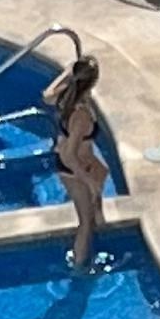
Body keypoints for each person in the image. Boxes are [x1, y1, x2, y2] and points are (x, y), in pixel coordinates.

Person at [43, 47, 114, 270]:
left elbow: (46, 95)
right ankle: (79, 268)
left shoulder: (65, 96)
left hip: (81, 158)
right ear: (92, 83)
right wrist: (87, 181)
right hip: (72, 166)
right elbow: (72, 155)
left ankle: (97, 210)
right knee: (86, 224)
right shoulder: (81, 115)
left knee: (102, 171)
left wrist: (67, 73)